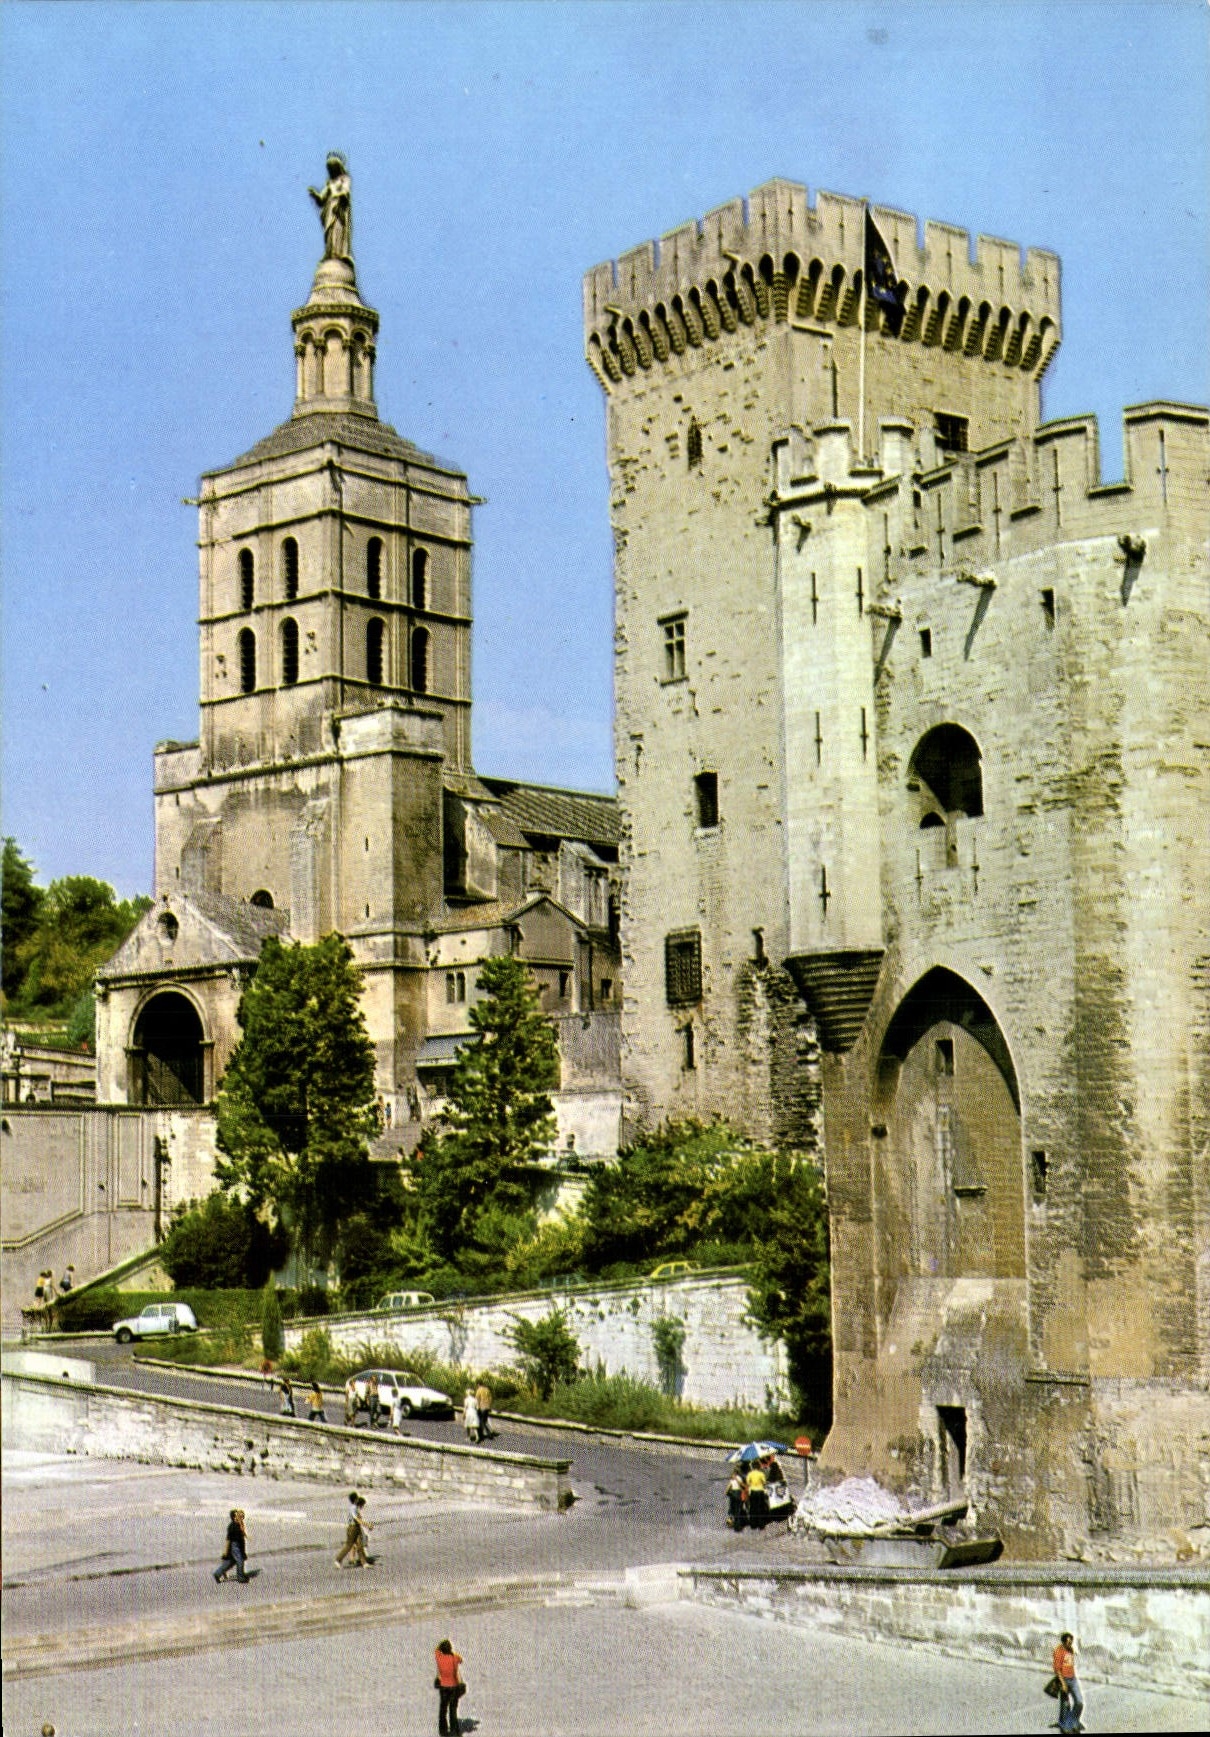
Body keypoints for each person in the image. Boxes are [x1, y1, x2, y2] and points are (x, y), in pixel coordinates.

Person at [308, 153, 352, 261]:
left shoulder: (343, 179)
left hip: (340, 207)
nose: (332, 171)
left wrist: (342, 197)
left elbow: (345, 191)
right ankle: (330, 251)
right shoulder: (329, 184)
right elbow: (322, 199)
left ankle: (341, 252)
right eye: (330, 169)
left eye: (333, 168)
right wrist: (315, 195)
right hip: (330, 208)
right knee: (330, 229)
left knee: (339, 228)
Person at [1053, 1631, 1084, 1733]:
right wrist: (1062, 1683)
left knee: (1079, 1702)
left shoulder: (1070, 1649)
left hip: (1072, 1679)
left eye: (1071, 1642)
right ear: (1063, 1642)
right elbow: (1057, 1669)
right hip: (1064, 1680)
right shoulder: (1058, 1651)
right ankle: (1066, 1724)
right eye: (1068, 1642)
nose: (1070, 1644)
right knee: (1065, 1704)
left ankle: (1071, 1721)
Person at [434, 1637, 466, 1736]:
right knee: (453, 1709)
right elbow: (461, 1660)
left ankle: (443, 1730)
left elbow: (436, 1650)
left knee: (443, 1709)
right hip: (454, 1686)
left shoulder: (439, 1658)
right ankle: (454, 1730)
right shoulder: (454, 1658)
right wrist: (452, 1653)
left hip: (443, 1686)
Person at [214, 1509, 250, 1582]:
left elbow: (243, 1534)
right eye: (238, 1515)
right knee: (240, 1560)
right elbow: (228, 1539)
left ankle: (217, 1573)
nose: (241, 1516)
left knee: (231, 1562)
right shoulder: (232, 1526)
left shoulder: (239, 1524)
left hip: (238, 1545)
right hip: (235, 1546)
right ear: (234, 1517)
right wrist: (226, 1551)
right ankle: (240, 1577)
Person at [335, 1491, 364, 1568]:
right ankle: (338, 1560)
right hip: (353, 1528)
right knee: (349, 1545)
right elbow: (355, 1518)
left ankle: (364, 1563)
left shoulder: (354, 1507)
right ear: (355, 1499)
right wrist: (365, 1524)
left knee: (360, 1545)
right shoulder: (353, 1508)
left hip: (356, 1527)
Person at [746, 1460, 769, 1530]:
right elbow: (764, 1482)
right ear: (759, 1466)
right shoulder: (761, 1474)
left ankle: (753, 1524)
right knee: (760, 1508)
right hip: (760, 1492)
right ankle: (761, 1524)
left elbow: (747, 1482)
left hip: (752, 1492)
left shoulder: (750, 1474)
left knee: (753, 1508)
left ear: (752, 1466)